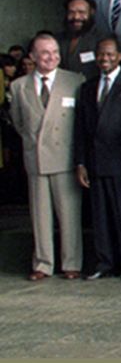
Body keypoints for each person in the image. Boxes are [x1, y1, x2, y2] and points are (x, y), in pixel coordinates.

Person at [12, 34, 85, 280]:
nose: (51, 57)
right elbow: (19, 123)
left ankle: (71, 263)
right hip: (36, 158)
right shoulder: (18, 86)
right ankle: (43, 264)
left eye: (55, 52)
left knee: (69, 214)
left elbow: (80, 123)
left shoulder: (74, 81)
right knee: (39, 216)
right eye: (44, 53)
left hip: (65, 157)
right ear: (32, 56)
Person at [74, 37, 121, 280]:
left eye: (109, 54)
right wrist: (80, 162)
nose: (105, 58)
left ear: (119, 56)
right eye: (101, 54)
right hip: (95, 162)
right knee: (100, 217)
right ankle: (105, 263)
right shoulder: (87, 87)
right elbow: (80, 129)